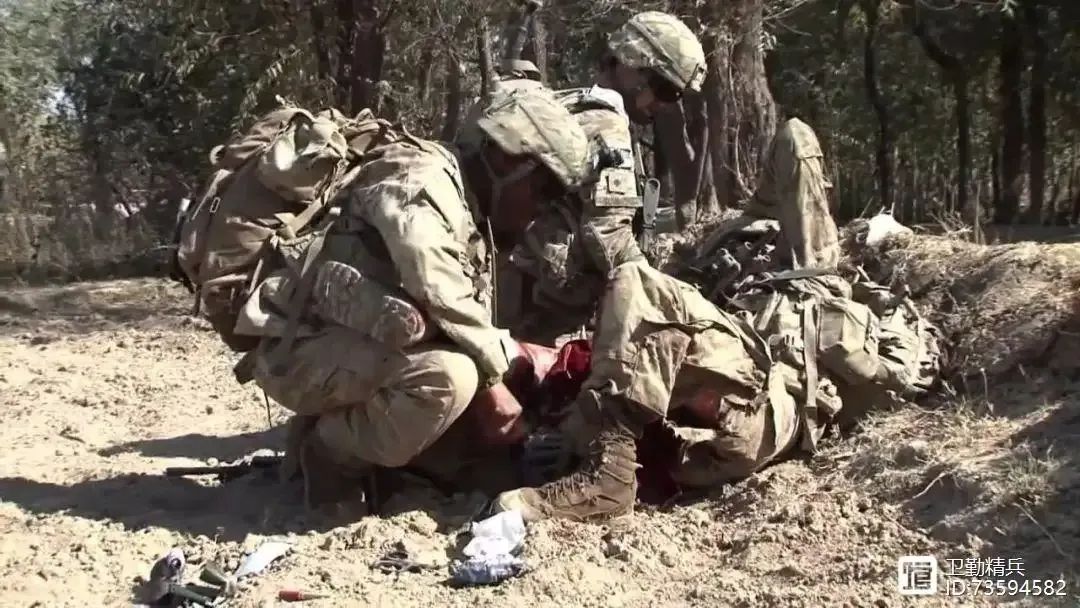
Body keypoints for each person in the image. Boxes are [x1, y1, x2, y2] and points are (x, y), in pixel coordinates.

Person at [233, 87, 591, 510]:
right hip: (296, 352)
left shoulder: (468, 205)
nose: (541, 208)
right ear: (507, 160)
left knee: (475, 418)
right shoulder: (421, 181)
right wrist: (500, 373)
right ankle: (328, 456)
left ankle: (369, 454)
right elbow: (438, 289)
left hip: (349, 349)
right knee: (450, 379)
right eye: (543, 189)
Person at [494, 260, 943, 521]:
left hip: (761, 405)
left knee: (637, 280)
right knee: (636, 343)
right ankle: (604, 463)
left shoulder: (842, 320)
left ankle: (608, 475)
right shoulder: (785, 305)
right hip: (725, 431)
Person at [503, 11, 708, 342]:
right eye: (666, 90)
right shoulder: (607, 124)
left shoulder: (572, 103)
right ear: (632, 66)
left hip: (518, 290)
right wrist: (669, 298)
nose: (664, 104)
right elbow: (607, 234)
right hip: (536, 313)